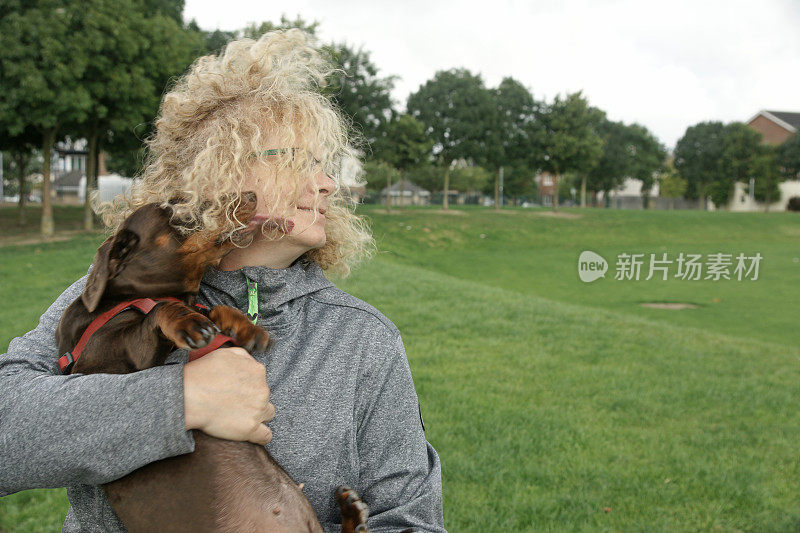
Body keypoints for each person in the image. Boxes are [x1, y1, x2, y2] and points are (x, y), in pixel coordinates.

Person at [0, 29, 446, 532]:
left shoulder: (363, 339)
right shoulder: (116, 297)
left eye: (323, 165)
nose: (326, 183)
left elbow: (411, 520)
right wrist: (178, 401)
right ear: (219, 173)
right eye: (295, 159)